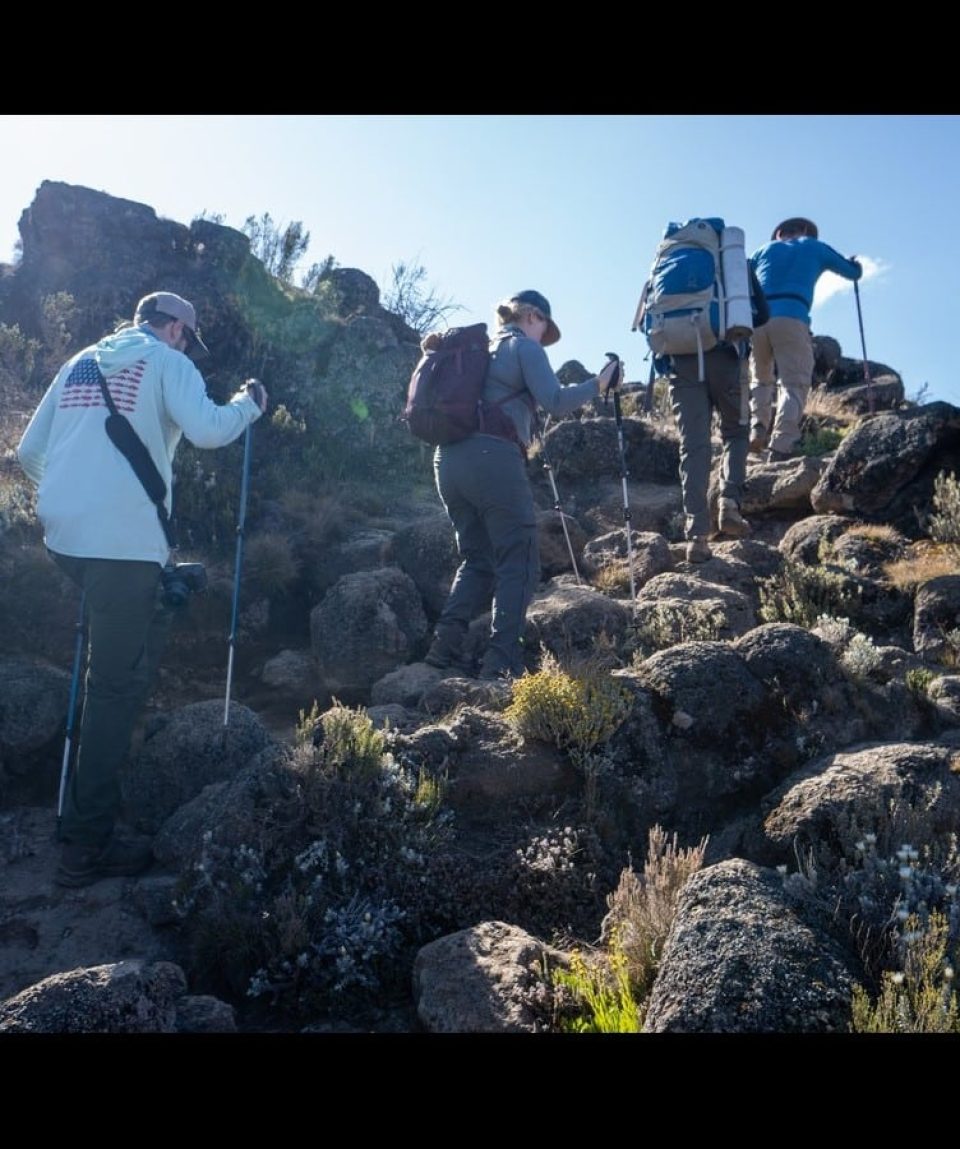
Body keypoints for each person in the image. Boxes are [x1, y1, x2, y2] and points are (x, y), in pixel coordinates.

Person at [17, 290, 268, 888]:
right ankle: (86, 844)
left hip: (65, 540)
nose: (188, 345)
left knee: (134, 620)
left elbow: (30, 452)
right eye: (188, 336)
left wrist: (71, 500)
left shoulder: (79, 359)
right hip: (122, 548)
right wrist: (248, 407)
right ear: (175, 328)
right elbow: (208, 431)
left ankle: (149, 612)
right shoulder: (166, 362)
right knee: (113, 689)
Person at [424, 289, 622, 681]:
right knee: (520, 559)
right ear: (532, 315)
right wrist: (599, 384)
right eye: (544, 327)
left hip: (447, 460)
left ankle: (441, 650)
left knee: (477, 558)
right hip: (491, 458)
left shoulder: (479, 350)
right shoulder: (523, 348)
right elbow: (556, 401)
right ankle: (501, 664)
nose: (543, 336)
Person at [660, 264, 769, 563]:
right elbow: (763, 315)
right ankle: (729, 504)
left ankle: (696, 536)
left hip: (681, 362)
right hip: (726, 355)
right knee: (735, 432)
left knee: (694, 446)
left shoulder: (668, 265)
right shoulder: (734, 265)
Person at [748, 217, 862, 459]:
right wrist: (856, 265)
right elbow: (852, 273)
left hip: (756, 321)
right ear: (804, 232)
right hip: (792, 316)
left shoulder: (762, 251)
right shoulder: (814, 247)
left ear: (778, 233)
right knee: (793, 383)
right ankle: (781, 444)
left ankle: (757, 428)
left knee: (760, 378)